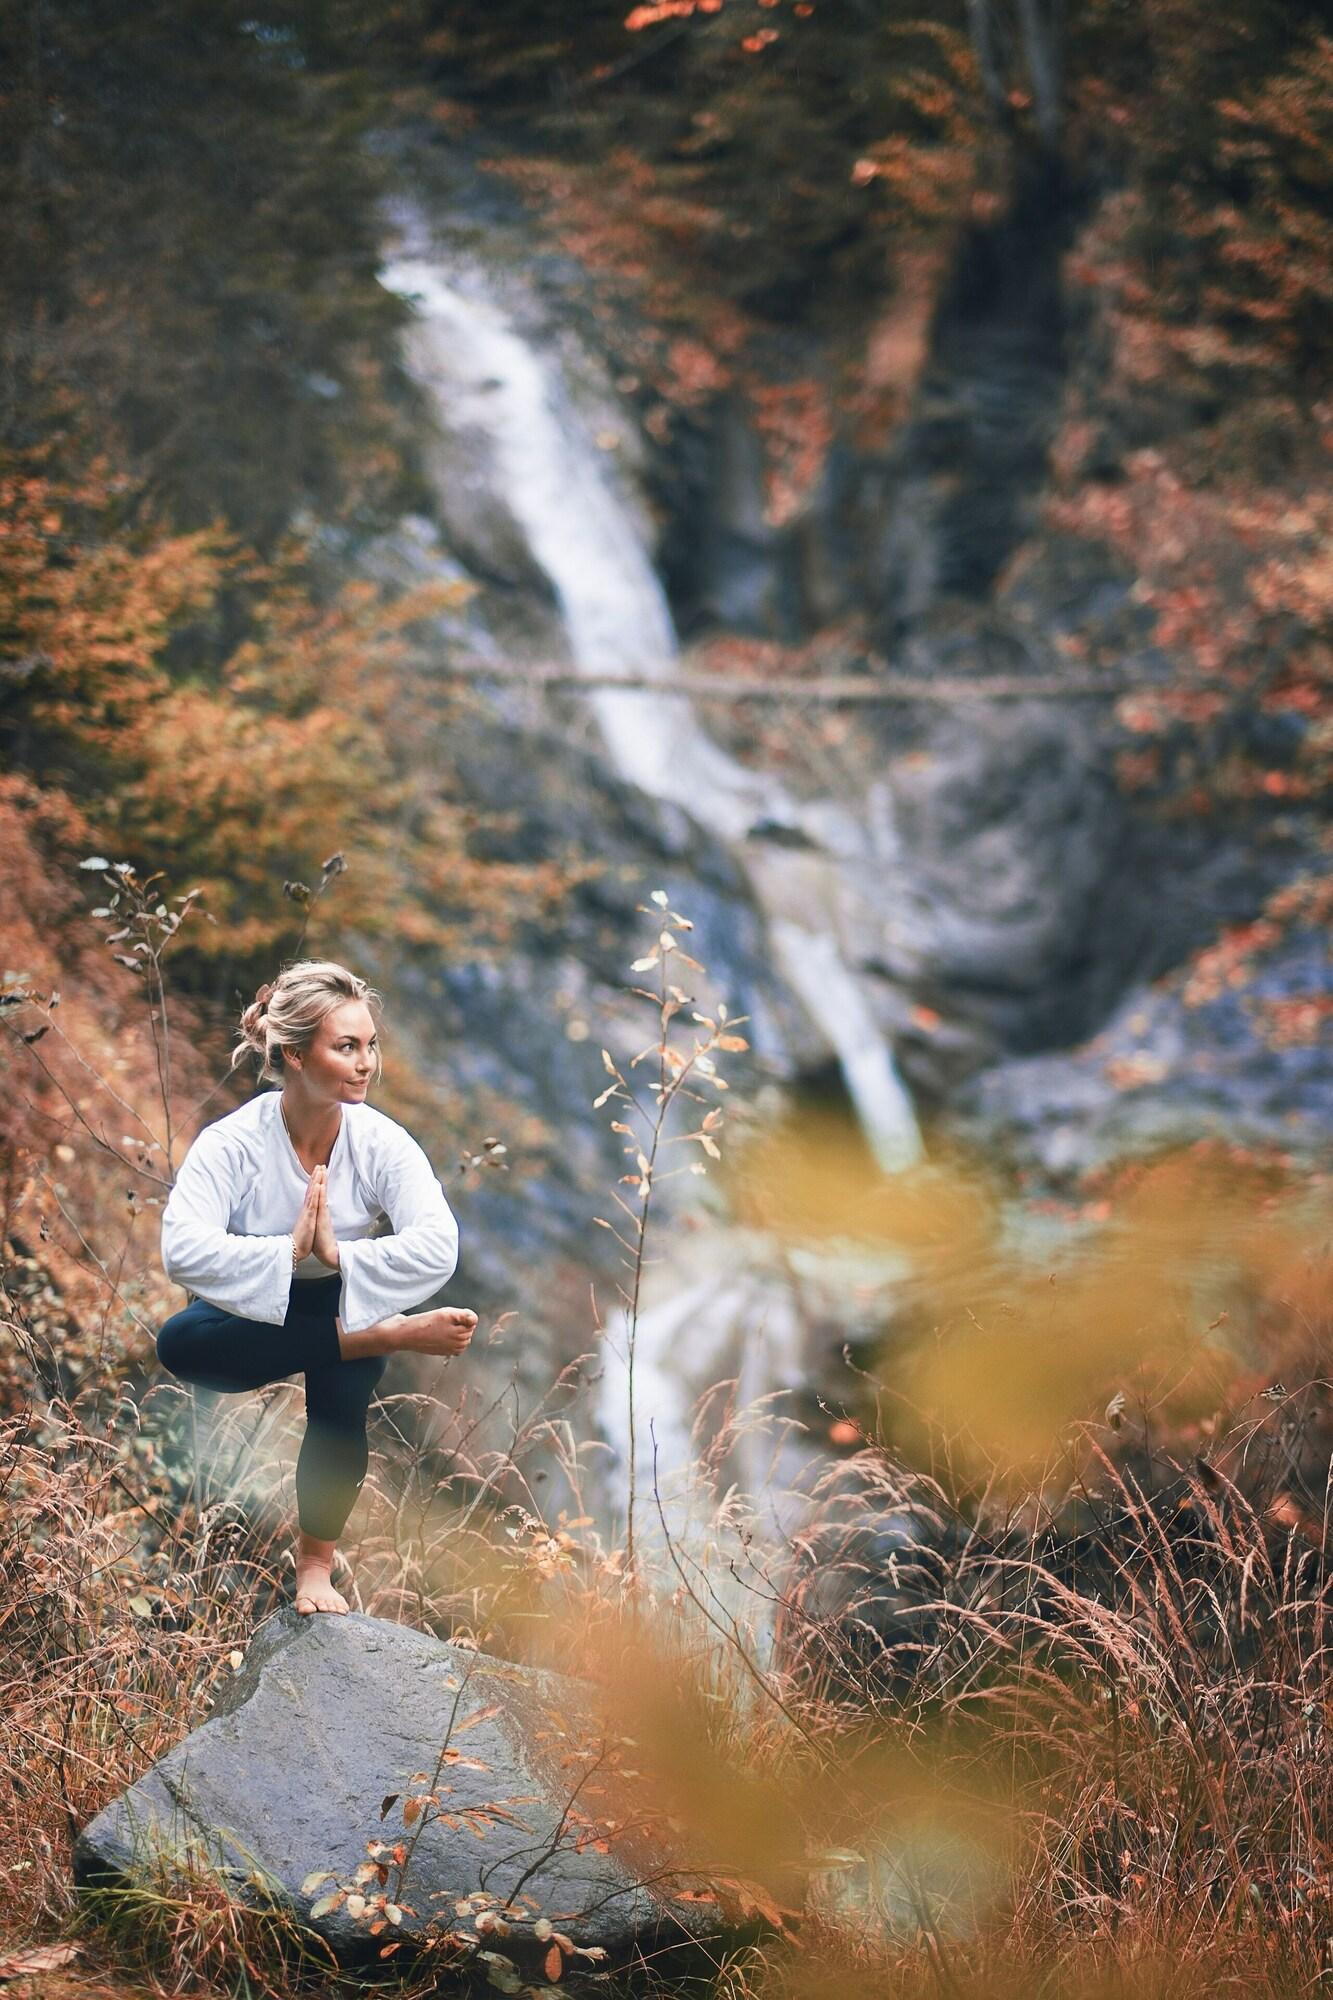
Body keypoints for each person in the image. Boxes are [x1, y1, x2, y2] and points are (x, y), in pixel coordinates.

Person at [157, 960, 477, 1615]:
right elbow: (180, 1248)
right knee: (179, 1342)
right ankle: (377, 1337)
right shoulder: (234, 1144)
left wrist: (340, 1256)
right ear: (297, 1055)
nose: (366, 1064)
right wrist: (287, 1251)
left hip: (340, 1292)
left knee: (339, 1406)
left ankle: (314, 1570)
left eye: (371, 1046)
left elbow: (439, 1245)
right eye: (346, 1047)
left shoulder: (381, 1144)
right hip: (250, 1306)